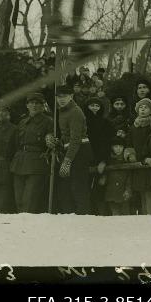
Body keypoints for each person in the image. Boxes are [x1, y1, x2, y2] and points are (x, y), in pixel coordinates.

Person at [50, 85, 93, 215]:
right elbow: (67, 136)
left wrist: (67, 161)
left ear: (71, 97)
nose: (61, 99)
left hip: (80, 150)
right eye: (59, 97)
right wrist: (59, 142)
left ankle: (83, 216)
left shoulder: (75, 111)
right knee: (65, 188)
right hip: (70, 149)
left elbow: (76, 139)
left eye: (65, 96)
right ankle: (69, 216)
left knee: (78, 187)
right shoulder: (62, 111)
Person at [11, 92, 52, 213]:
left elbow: (51, 144)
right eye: (31, 103)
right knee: (18, 199)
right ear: (27, 105)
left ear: (43, 106)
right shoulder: (22, 122)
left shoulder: (48, 122)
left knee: (29, 201)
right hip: (19, 163)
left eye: (38, 103)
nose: (34, 106)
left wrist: (50, 141)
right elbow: (17, 142)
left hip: (36, 164)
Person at [100, 140, 132, 216]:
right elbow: (105, 175)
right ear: (112, 147)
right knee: (115, 214)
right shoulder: (109, 160)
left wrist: (128, 189)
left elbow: (129, 177)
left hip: (123, 192)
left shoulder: (127, 159)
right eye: (116, 146)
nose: (118, 149)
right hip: (111, 192)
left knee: (126, 214)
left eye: (120, 146)